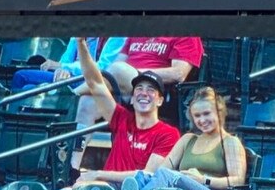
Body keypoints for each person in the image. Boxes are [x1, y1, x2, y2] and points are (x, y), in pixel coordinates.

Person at [71, 36, 204, 169]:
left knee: (118, 70)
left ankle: (73, 93)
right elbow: (112, 69)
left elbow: (178, 73)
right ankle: (73, 167)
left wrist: (139, 74)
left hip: (155, 90)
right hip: (123, 89)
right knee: (87, 102)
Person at [121, 86, 246, 190]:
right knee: (142, 178)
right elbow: (161, 170)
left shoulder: (230, 142)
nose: (202, 120)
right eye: (197, 116)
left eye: (207, 114)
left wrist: (203, 180)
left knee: (167, 175)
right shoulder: (188, 140)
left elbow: (238, 181)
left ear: (219, 113)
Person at [10, 37, 126, 91]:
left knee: (21, 76)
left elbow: (102, 69)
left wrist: (64, 67)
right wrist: (63, 69)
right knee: (28, 87)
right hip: (69, 76)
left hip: (90, 81)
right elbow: (65, 60)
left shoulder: (115, 37)